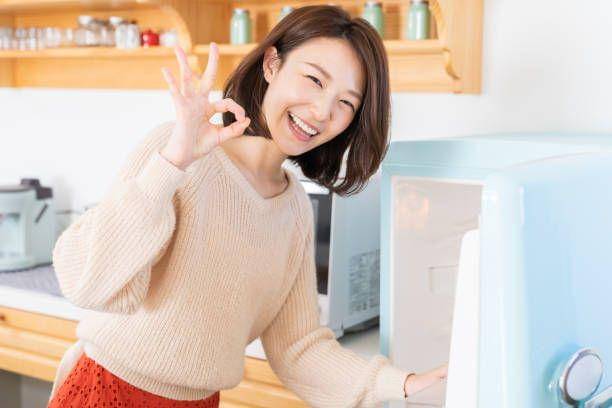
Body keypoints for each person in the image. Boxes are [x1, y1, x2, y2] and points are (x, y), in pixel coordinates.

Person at [48, 5, 446, 408]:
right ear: (272, 64)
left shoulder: (294, 209)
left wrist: (403, 383)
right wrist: (173, 162)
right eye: (314, 80)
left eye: (346, 102)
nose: (322, 111)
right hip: (107, 391)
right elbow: (86, 283)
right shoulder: (175, 151)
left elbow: (298, 349)